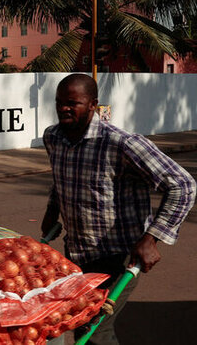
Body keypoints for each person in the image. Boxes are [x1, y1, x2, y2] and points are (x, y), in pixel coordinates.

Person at [41, 73, 195, 345]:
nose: (64, 108)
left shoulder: (122, 144)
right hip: (77, 254)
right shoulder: (53, 137)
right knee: (78, 323)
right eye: (59, 102)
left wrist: (152, 238)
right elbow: (61, 178)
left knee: (93, 332)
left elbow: (183, 185)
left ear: (92, 104)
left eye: (72, 103)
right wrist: (53, 210)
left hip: (119, 258)